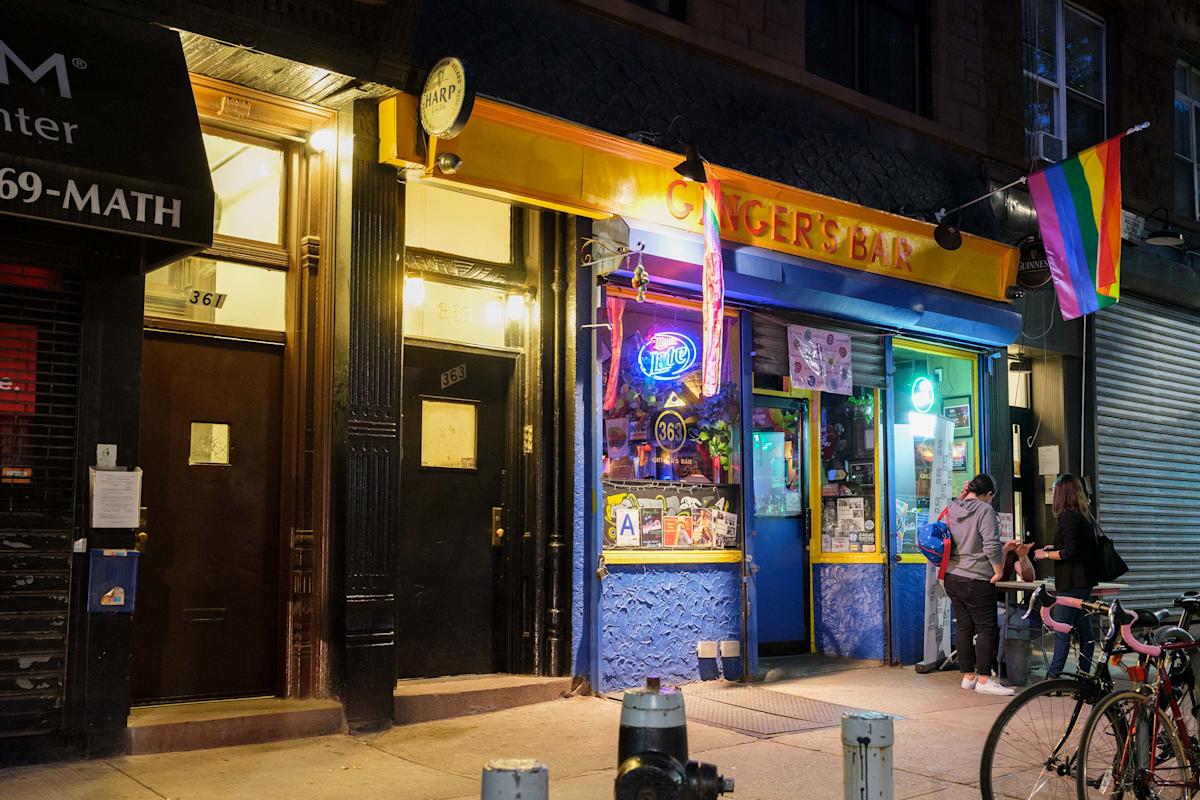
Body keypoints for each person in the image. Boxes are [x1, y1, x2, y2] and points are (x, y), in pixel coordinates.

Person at [943, 473, 1015, 695]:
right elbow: (991, 545)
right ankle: (984, 680)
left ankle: (968, 676)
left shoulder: (953, 507)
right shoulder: (985, 510)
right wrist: (998, 570)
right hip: (976, 577)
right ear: (989, 494)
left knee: (964, 627)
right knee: (986, 628)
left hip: (952, 576)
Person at [1035, 474, 1100, 678]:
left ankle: (1053, 677)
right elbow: (1076, 546)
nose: (1052, 493)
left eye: (1054, 489)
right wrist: (1053, 547)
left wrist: (1045, 554)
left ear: (1061, 493)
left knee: (1062, 628)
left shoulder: (1068, 517)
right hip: (1083, 581)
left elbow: (1070, 552)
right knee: (1085, 628)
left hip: (1073, 582)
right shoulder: (1082, 515)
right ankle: (1084, 674)